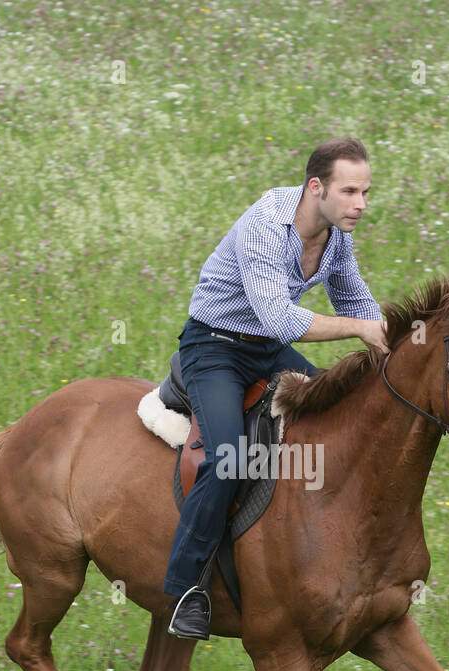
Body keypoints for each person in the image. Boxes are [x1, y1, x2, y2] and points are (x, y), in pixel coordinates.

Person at [164, 137, 389, 639]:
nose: (361, 204)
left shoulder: (336, 238)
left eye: (366, 192)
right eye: (350, 191)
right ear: (316, 187)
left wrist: (393, 344)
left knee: (335, 418)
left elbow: (356, 299)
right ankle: (185, 590)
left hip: (264, 349)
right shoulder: (266, 226)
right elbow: (280, 318)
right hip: (216, 348)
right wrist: (357, 330)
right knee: (227, 458)